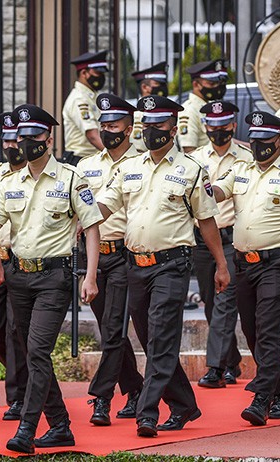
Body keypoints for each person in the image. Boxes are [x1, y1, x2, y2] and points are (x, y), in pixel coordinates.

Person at [97, 95, 229, 437]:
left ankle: (148, 410)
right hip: (134, 266)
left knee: (160, 338)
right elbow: (103, 208)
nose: (151, 131)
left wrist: (221, 265)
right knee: (149, 338)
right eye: (146, 125)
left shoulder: (191, 170)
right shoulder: (129, 168)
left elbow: (207, 222)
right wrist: (72, 218)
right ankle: (184, 403)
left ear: (173, 127)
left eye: (158, 125)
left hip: (171, 265)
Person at [0, 104, 103, 454]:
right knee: (27, 349)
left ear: (49, 138)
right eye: (22, 137)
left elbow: (92, 226)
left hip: (55, 276)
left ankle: (27, 429)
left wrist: (90, 276)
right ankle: (61, 424)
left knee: (37, 350)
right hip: (20, 277)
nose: (27, 142)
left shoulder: (70, 178)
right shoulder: (10, 183)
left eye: (34, 136)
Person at [211, 110, 280, 426]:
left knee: (268, 333)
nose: (260, 146)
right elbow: (217, 193)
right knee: (251, 333)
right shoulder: (240, 169)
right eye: (255, 140)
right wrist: (196, 189)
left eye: (266, 141)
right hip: (243, 264)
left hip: (277, 264)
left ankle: (262, 398)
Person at [76, 93, 144, 425]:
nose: (106, 130)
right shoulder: (86, 166)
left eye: (113, 125)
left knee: (114, 329)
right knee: (109, 330)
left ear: (129, 129)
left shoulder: (142, 163)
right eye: (103, 125)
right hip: (93, 259)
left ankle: (101, 397)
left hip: (125, 257)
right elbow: (76, 217)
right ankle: (135, 388)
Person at [194, 100, 250, 388]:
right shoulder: (194, 158)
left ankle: (215, 368)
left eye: (223, 125)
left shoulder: (246, 157)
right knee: (210, 302)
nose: (218, 130)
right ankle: (231, 361)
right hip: (202, 239)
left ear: (232, 125)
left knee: (225, 302)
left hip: (231, 238)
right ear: (205, 127)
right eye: (212, 126)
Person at [0, 112, 30, 421]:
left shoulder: (35, 175)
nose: (11, 145)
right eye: (7, 139)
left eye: (16, 139)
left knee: (16, 331)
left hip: (24, 263)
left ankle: (18, 396)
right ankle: (24, 377)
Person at [62, 50, 108, 165]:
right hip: (80, 159)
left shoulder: (92, 96)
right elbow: (92, 135)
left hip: (93, 158)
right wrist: (113, 155)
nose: (101, 77)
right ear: (83, 73)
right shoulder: (79, 99)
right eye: (97, 73)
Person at [179, 59, 229, 153]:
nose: (216, 87)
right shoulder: (189, 110)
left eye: (217, 83)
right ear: (196, 85)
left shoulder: (211, 107)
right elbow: (189, 150)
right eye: (211, 84)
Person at [131, 61, 169, 153]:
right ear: (144, 87)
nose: (162, 88)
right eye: (157, 84)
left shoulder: (168, 111)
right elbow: (139, 149)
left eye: (163, 84)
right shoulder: (138, 115)